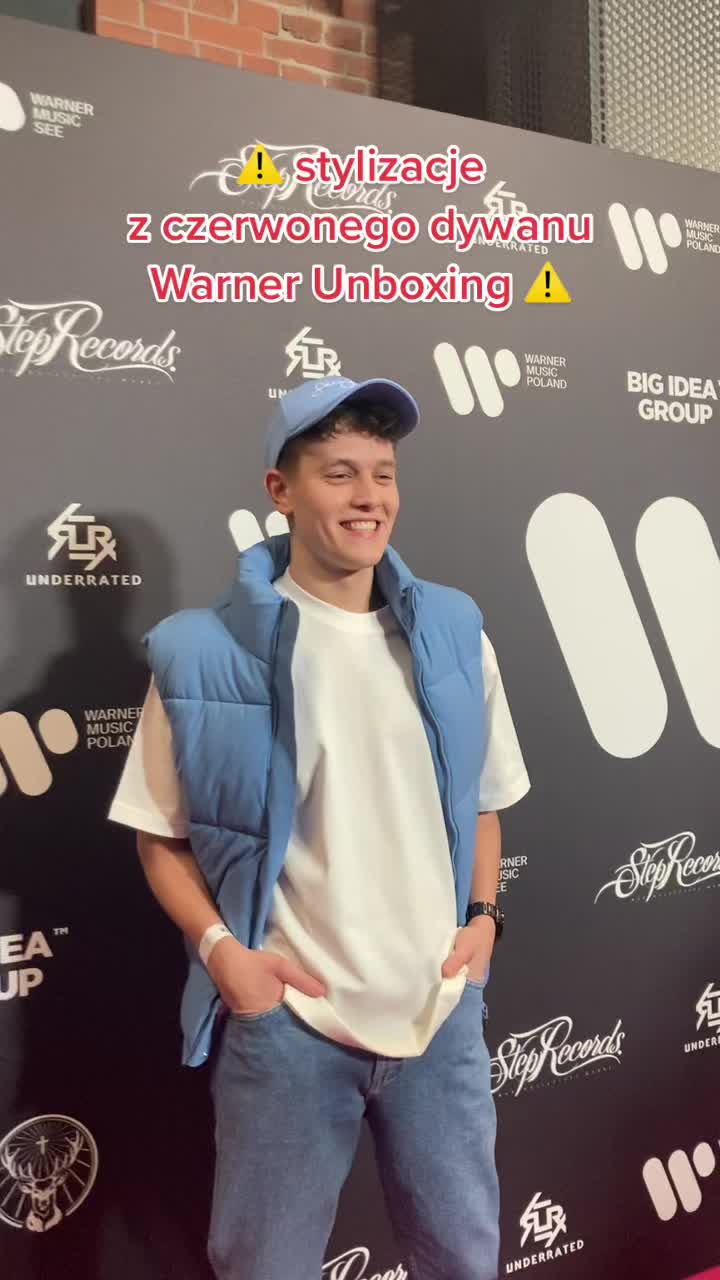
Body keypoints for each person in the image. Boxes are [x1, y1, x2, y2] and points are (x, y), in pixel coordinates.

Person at [108, 373, 530, 1280]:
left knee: (466, 1261)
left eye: (382, 474)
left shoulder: (456, 631)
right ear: (282, 491)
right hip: (287, 1028)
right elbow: (159, 835)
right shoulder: (199, 652)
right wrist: (226, 956)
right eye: (339, 474)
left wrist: (484, 921)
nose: (369, 496)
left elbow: (486, 801)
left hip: (441, 1013)